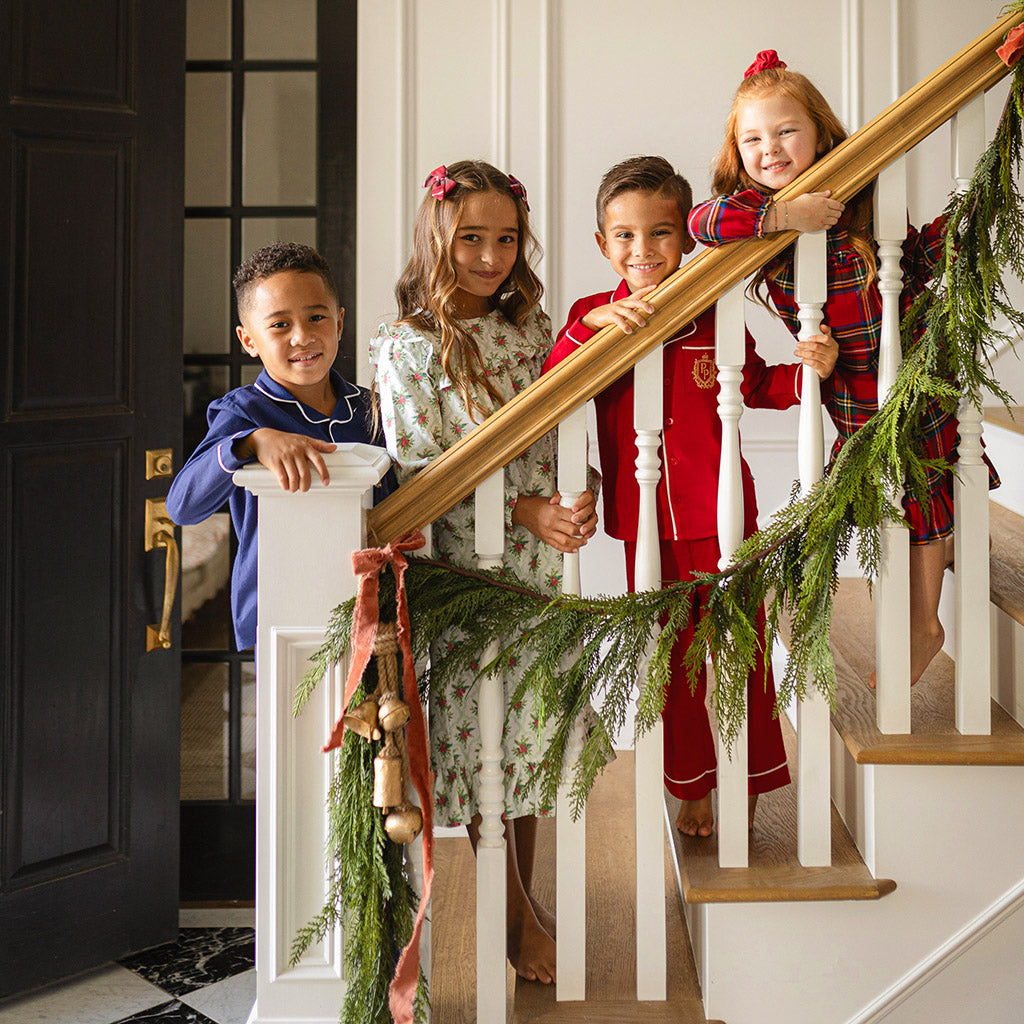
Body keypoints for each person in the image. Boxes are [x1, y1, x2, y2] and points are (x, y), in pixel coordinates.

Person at [544, 155, 838, 838]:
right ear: (602, 245)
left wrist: (808, 372)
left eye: (660, 234)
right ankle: (695, 786)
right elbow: (554, 385)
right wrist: (592, 331)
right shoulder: (593, 317)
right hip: (645, 527)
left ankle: (754, 780)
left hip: (725, 518)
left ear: (685, 237)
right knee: (673, 667)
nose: (642, 251)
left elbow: (759, 385)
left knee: (744, 655)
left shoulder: (714, 305)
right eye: (624, 236)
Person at [687, 49, 999, 689]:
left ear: (820, 133)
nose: (769, 149)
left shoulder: (856, 190)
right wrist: (783, 217)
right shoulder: (753, 213)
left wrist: (967, 226)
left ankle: (923, 622)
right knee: (837, 500)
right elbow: (700, 221)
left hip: (911, 374)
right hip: (849, 395)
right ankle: (788, 597)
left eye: (785, 132)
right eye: (752, 139)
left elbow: (910, 257)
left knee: (918, 491)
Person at [371, 160, 600, 986]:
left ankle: (523, 907)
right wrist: (524, 511)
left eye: (506, 238)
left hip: (544, 568)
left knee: (532, 738)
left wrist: (581, 492)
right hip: (470, 568)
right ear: (438, 236)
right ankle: (512, 918)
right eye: (472, 237)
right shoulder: (408, 345)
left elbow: (572, 427)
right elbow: (424, 470)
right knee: (488, 742)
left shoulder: (535, 333)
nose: (491, 255)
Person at [167, 241, 394, 650]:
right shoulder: (242, 412)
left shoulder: (372, 409)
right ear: (248, 340)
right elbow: (183, 506)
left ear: (339, 324)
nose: (302, 336)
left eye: (316, 317)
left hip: (373, 608)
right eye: (279, 325)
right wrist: (251, 441)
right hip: (281, 615)